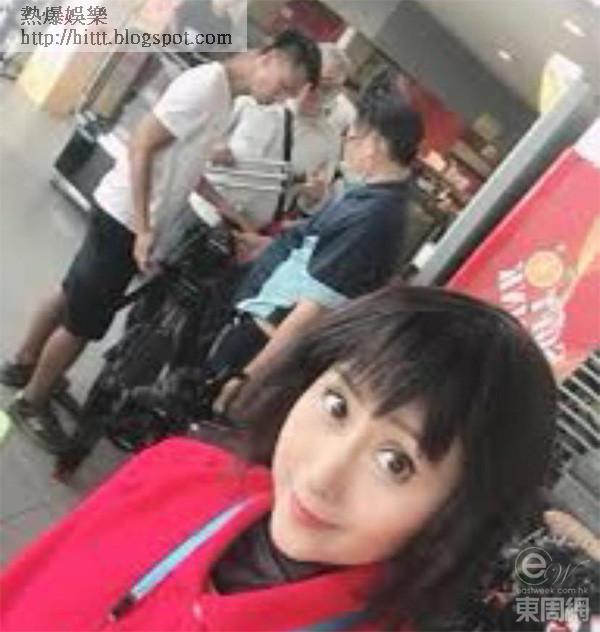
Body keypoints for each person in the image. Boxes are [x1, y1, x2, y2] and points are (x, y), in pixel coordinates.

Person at [0, 284, 558, 631]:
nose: (321, 476)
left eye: (396, 463)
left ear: (456, 512)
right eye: (337, 405)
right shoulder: (177, 473)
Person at [0, 29, 321, 447]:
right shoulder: (206, 86)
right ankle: (32, 401)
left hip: (128, 215)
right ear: (269, 57)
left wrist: (233, 215)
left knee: (72, 292)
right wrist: (143, 228)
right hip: (124, 216)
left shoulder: (225, 96)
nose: (279, 99)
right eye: (283, 87)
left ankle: (25, 363)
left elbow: (187, 167)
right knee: (86, 321)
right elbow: (142, 144)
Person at [207, 66, 424, 410]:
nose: (347, 145)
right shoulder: (368, 198)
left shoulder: (373, 217)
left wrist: (248, 378)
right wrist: (272, 247)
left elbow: (313, 309)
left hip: (262, 342)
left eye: (352, 137)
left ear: (373, 145)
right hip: (256, 322)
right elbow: (315, 256)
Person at [208, 43, 352, 231]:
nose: (314, 91)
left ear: (337, 93)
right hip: (204, 207)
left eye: (326, 88)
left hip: (246, 230)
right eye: (312, 79)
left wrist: (315, 196)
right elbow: (204, 134)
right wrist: (214, 146)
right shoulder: (258, 97)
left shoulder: (329, 141)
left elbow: (310, 206)